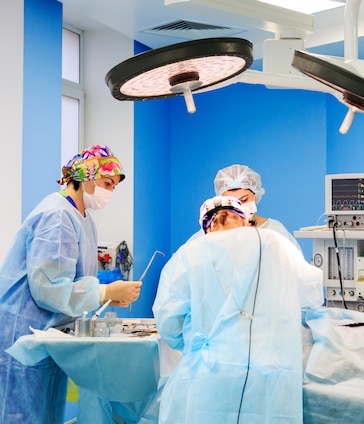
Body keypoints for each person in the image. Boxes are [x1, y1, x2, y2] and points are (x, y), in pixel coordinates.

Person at [0, 144, 142, 424]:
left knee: (46, 411)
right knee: (22, 414)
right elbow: (49, 288)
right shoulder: (57, 216)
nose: (110, 192)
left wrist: (110, 292)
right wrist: (104, 293)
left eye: (114, 186)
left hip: (49, 330)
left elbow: (71, 275)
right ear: (86, 177)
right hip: (24, 332)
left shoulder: (83, 219)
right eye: (107, 183)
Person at [154, 196, 323, 423]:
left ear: (207, 226)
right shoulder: (275, 243)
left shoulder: (190, 253)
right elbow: (311, 294)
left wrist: (193, 341)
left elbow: (169, 322)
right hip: (269, 368)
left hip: (211, 371)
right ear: (245, 221)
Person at [189, 164, 302, 253]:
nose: (240, 208)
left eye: (244, 200)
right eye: (232, 202)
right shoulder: (207, 235)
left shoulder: (275, 231)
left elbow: (297, 272)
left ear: (256, 196)